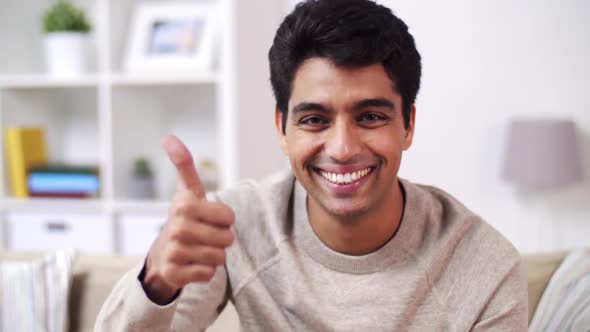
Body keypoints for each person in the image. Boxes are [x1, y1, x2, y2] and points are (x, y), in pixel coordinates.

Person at [95, 0, 528, 330]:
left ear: (408, 125)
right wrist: (156, 281)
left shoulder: (483, 266)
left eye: (371, 117)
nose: (341, 148)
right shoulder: (234, 225)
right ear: (282, 128)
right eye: (315, 120)